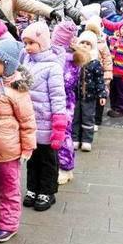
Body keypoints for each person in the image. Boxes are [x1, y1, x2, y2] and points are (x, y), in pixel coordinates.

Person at [0, 38, 37, 243]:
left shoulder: (17, 90)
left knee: (9, 187)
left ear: (9, 64)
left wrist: (28, 146)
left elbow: (27, 120)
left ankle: (8, 224)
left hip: (8, 148)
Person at [19, 22, 67, 211]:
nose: (27, 47)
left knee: (48, 160)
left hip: (47, 123)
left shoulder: (52, 66)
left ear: (43, 43)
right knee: (32, 158)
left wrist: (59, 123)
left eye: (31, 43)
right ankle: (33, 188)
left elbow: (57, 96)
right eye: (25, 43)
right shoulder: (26, 62)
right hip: (30, 122)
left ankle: (47, 191)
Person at [51, 21, 88, 184]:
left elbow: (65, 83)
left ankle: (65, 168)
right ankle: (63, 166)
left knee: (64, 134)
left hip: (65, 103)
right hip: (58, 101)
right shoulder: (60, 56)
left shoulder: (69, 59)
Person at [73, 30, 107, 151]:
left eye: (88, 44)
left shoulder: (95, 63)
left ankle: (87, 140)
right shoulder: (74, 59)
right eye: (83, 43)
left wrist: (102, 95)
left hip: (90, 96)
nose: (85, 46)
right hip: (75, 95)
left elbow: (100, 80)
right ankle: (75, 138)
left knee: (88, 117)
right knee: (75, 117)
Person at [84, 16, 113, 130]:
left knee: (100, 97)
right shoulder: (84, 43)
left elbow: (107, 60)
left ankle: (97, 120)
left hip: (99, 76)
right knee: (89, 100)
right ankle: (88, 120)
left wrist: (107, 75)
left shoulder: (102, 44)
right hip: (87, 76)